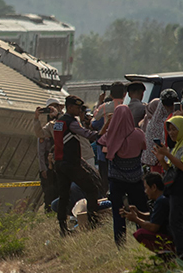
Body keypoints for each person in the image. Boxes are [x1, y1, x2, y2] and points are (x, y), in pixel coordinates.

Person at [52, 96, 105, 236]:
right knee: (91, 188)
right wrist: (102, 136)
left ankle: (63, 228)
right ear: (69, 107)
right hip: (71, 163)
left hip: (59, 163)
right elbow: (86, 134)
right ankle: (93, 221)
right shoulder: (71, 122)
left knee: (64, 195)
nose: (79, 110)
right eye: (76, 108)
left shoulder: (59, 121)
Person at [100, 104, 150, 247]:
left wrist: (108, 126)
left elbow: (99, 141)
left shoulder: (111, 135)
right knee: (140, 210)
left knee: (118, 211)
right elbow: (143, 147)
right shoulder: (139, 133)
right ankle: (144, 239)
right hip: (135, 178)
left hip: (116, 179)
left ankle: (120, 243)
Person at [152, 115, 183, 257]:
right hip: (174, 188)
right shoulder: (176, 146)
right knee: (180, 220)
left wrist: (166, 155)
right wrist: (162, 158)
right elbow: (171, 169)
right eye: (169, 130)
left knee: (175, 220)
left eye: (174, 129)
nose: (171, 133)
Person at [122, 172, 176, 254]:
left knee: (140, 234)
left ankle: (166, 253)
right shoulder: (164, 198)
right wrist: (138, 213)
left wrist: (136, 219)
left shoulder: (161, 201)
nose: (145, 192)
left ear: (154, 187)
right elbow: (154, 217)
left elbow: (153, 227)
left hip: (169, 238)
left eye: (146, 188)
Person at [34, 99, 64, 212]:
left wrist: (58, 115)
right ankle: (50, 211)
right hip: (50, 166)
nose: (52, 110)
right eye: (50, 108)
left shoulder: (67, 120)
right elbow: (41, 150)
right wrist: (43, 168)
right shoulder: (48, 127)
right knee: (50, 192)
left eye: (55, 107)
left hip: (62, 162)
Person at [141, 88, 178, 171]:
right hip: (161, 162)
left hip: (157, 162)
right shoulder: (169, 121)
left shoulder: (153, 122)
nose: (170, 107)